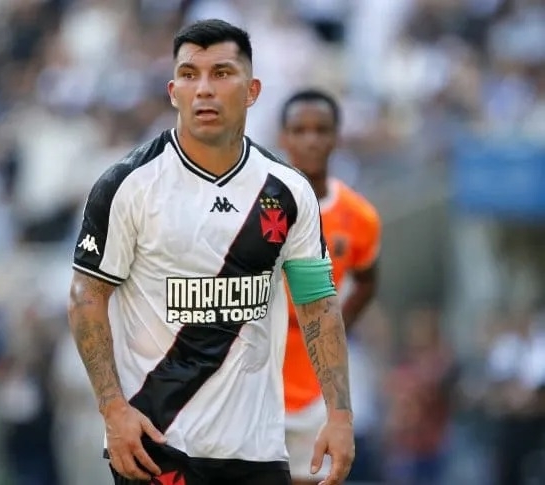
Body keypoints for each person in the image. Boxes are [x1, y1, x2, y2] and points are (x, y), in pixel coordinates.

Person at [67, 19, 354, 485]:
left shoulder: (288, 190)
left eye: (221, 73)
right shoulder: (128, 185)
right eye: (189, 74)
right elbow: (86, 297)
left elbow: (318, 304)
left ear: (252, 90)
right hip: (157, 445)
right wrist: (113, 409)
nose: (203, 89)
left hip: (257, 450)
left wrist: (339, 415)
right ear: (172, 91)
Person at [276, 89, 381, 485]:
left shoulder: (359, 216)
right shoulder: (257, 206)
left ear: (337, 136)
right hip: (257, 375)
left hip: (317, 384)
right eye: (299, 130)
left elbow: (368, 281)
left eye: (321, 130)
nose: (311, 140)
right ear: (283, 137)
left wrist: (334, 329)